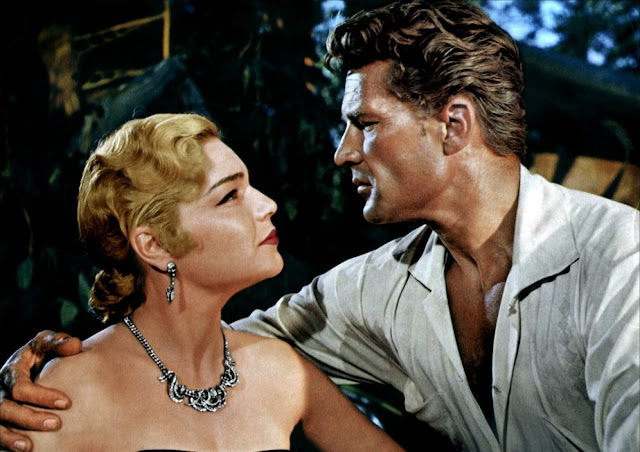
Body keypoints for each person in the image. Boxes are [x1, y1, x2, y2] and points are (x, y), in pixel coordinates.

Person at [1, 0, 639, 450]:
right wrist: (39, 371)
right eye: (229, 196)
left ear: (453, 125)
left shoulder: (620, 261)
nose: (342, 153)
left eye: (365, 125)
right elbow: (192, 343)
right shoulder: (371, 292)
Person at [0, 112, 404, 452]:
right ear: (154, 244)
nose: (267, 205)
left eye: (249, 186)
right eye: (229, 196)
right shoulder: (70, 391)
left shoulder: (282, 371)